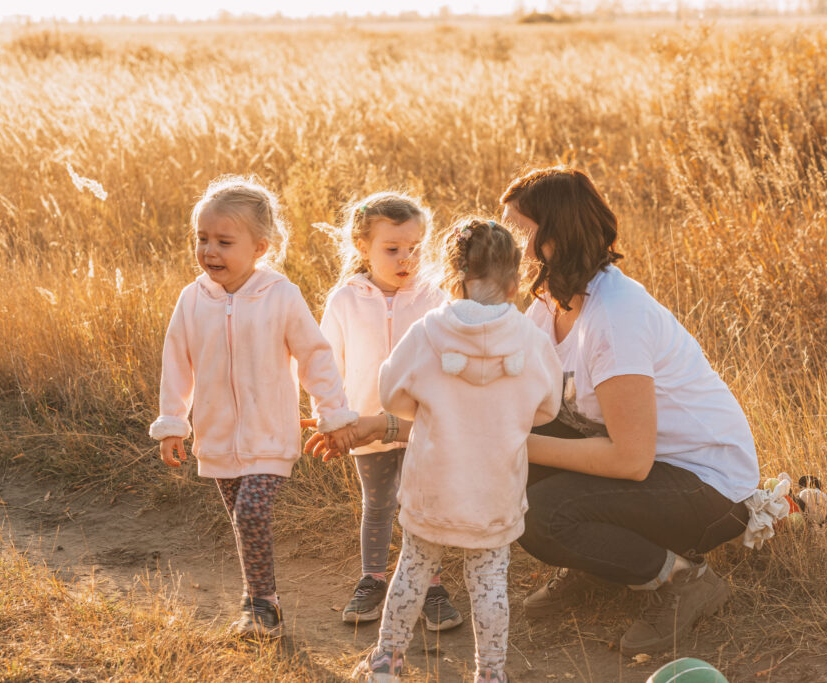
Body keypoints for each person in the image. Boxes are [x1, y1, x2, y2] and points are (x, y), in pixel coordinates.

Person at [500, 166, 759, 656]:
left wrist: (514, 445)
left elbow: (631, 460)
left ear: (556, 235)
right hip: (651, 469)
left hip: (707, 486)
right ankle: (598, 564)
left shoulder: (615, 314)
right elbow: (517, 398)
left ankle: (685, 582)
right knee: (513, 463)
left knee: (540, 514)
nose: (506, 241)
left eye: (518, 230)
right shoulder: (547, 304)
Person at [349, 219, 563, 683]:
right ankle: (490, 674)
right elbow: (548, 408)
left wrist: (428, 406)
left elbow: (391, 394)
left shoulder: (429, 332)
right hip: (496, 490)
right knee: (489, 585)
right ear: (515, 279)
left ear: (453, 276)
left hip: (433, 485)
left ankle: (386, 663)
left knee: (413, 570)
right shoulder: (530, 339)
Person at [148, 175, 358, 638]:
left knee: (251, 514)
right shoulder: (192, 299)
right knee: (243, 523)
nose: (209, 251)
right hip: (217, 436)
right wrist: (172, 424)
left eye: (224, 241)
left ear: (260, 247)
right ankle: (260, 600)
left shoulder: (280, 295)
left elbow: (314, 356)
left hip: (269, 434)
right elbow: (176, 362)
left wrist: (333, 413)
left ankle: (261, 605)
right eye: (201, 239)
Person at [311, 192, 462, 629]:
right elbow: (326, 364)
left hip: (421, 425)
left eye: (415, 248)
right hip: (363, 426)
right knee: (377, 504)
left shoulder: (435, 297)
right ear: (363, 247)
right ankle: (373, 579)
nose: (405, 259)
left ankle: (430, 584)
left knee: (422, 504)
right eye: (392, 249)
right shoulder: (345, 300)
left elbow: (448, 357)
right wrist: (332, 418)